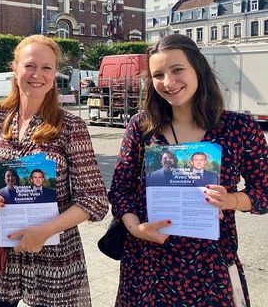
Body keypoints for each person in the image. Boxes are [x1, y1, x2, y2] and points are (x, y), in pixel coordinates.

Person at [108, 34, 267, 306]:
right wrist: (135, 228)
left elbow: (263, 192)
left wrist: (231, 200)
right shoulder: (142, 126)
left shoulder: (239, 128)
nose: (168, 82)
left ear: (198, 68)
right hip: (147, 263)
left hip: (209, 266)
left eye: (177, 70)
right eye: (158, 74)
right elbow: (120, 189)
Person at [0, 35, 109, 307]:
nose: (38, 74)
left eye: (47, 67)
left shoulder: (70, 126)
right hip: (2, 250)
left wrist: (45, 230)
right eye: (30, 66)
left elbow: (94, 200)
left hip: (53, 253)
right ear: (15, 68)